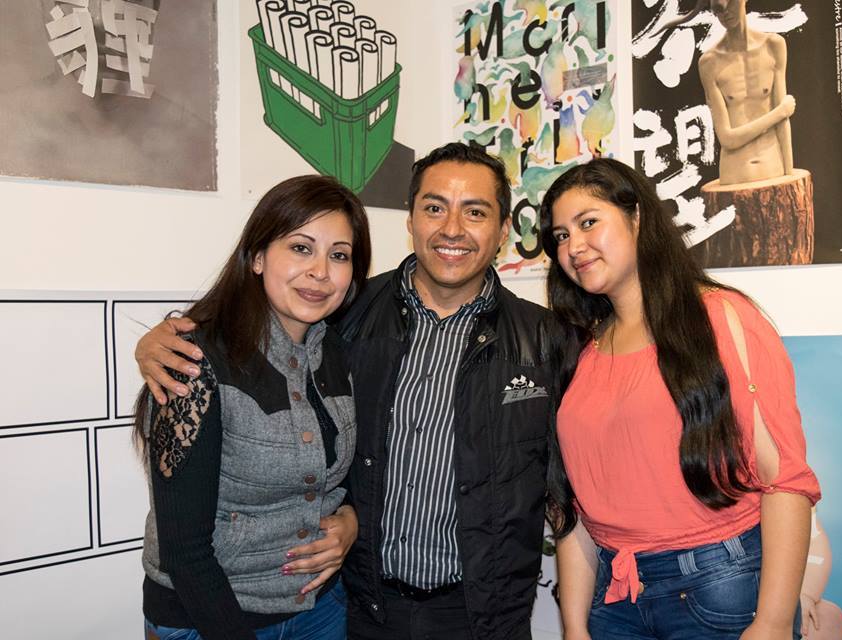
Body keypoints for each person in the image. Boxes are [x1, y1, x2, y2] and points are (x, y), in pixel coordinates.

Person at [135, 143, 575, 640]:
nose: (452, 229)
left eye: (475, 212)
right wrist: (159, 342)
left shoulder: (546, 339)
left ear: (502, 230)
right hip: (364, 607)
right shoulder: (346, 313)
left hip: (483, 616)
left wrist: (346, 517)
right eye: (434, 208)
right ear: (410, 219)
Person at [539, 158, 820, 640]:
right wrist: (575, 627)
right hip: (615, 598)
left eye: (588, 223)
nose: (573, 247)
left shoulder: (722, 318)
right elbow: (575, 509)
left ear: (637, 217)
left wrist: (773, 622)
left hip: (722, 588)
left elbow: (784, 480)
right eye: (561, 236)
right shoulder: (581, 349)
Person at [135, 175, 371, 640]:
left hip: (319, 607)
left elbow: (349, 475)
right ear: (258, 256)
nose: (320, 271)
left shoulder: (339, 354)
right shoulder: (193, 361)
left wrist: (351, 520)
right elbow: (185, 552)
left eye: (339, 255)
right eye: (301, 248)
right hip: (207, 617)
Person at [665, 0, 796, 185]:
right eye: (718, 9)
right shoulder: (710, 63)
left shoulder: (773, 45)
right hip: (735, 173)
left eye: (731, 2)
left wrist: (790, 175)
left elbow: (783, 125)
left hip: (772, 166)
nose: (726, 12)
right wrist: (779, 112)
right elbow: (727, 138)